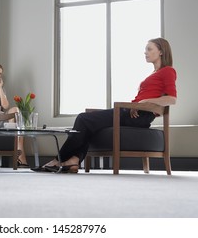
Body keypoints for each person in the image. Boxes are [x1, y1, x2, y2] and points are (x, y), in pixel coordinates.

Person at [38, 38, 177, 173]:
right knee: (88, 124)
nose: (145, 52)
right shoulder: (154, 73)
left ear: (161, 51)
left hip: (140, 115)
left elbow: (172, 99)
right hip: (132, 111)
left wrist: (144, 103)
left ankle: (58, 160)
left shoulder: (168, 71)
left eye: (149, 49)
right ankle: (74, 160)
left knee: (83, 118)